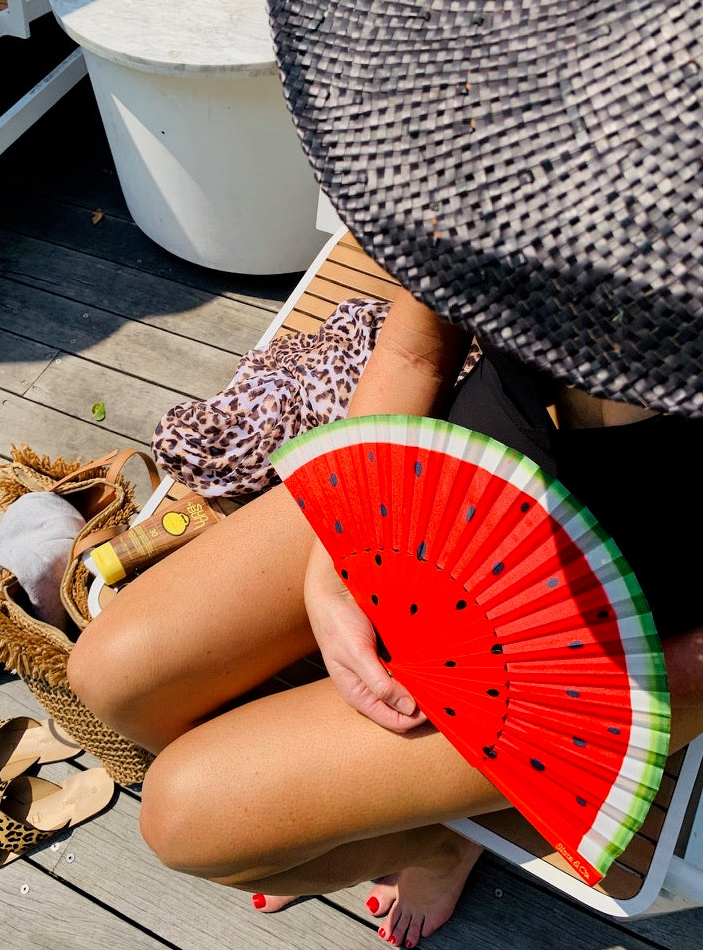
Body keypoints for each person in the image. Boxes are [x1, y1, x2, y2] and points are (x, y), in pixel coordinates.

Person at [67, 283, 703, 948]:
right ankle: (354, 803)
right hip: (443, 474)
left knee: (186, 817)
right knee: (114, 677)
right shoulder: (530, 184)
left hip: (630, 648)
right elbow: (412, 354)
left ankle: (435, 844)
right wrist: (335, 558)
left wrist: (625, 690)